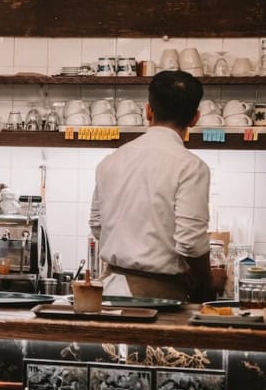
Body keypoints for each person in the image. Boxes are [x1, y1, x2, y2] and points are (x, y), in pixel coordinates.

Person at [89, 69, 225, 302]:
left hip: (108, 290)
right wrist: (207, 281)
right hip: (158, 296)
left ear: (148, 110)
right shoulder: (191, 166)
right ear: (195, 118)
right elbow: (190, 243)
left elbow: (97, 225)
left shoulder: (111, 160)